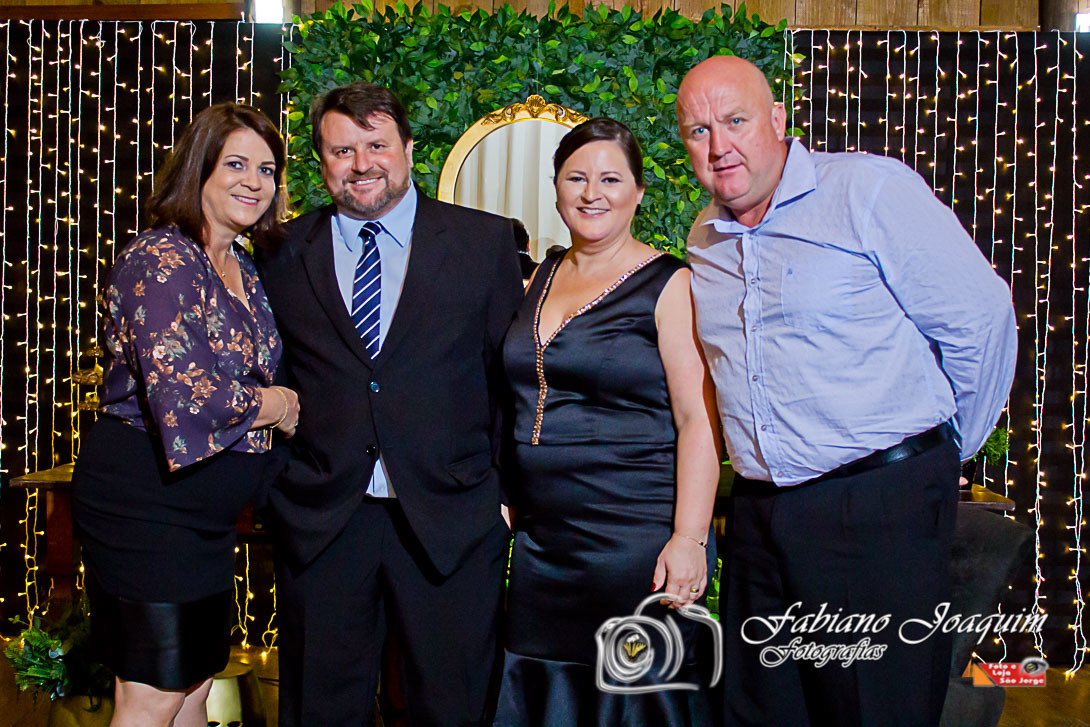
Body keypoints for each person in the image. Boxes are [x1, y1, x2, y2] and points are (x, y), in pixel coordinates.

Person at [675, 55, 1018, 726]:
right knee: (760, 712)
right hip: (760, 517)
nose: (719, 146)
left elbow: (980, 319)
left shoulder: (867, 190)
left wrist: (946, 450)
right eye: (698, 130)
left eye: (736, 121)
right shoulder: (704, 239)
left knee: (874, 711)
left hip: (877, 507)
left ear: (778, 119)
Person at [254, 82, 524, 727]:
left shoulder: (483, 244)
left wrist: (505, 497)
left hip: (452, 519)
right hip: (323, 519)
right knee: (319, 711)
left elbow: (507, 379)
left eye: (376, 145)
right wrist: (278, 492)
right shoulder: (280, 251)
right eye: (341, 151)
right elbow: (271, 372)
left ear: (407, 147)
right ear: (321, 161)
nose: (362, 164)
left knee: (455, 708)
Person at [71, 103, 299, 727]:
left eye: (267, 170)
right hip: (146, 506)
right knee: (152, 694)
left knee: (195, 685)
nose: (254, 181)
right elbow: (186, 392)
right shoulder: (160, 258)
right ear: (200, 168)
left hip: (206, 520)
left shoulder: (243, 267)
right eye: (236, 165)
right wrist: (277, 405)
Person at [494, 118, 722, 727]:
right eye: (577, 178)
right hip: (543, 543)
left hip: (632, 539)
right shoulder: (538, 277)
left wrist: (690, 539)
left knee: (635, 697)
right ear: (556, 189)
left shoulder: (670, 284)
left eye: (611, 179)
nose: (592, 193)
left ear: (638, 191)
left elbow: (698, 420)